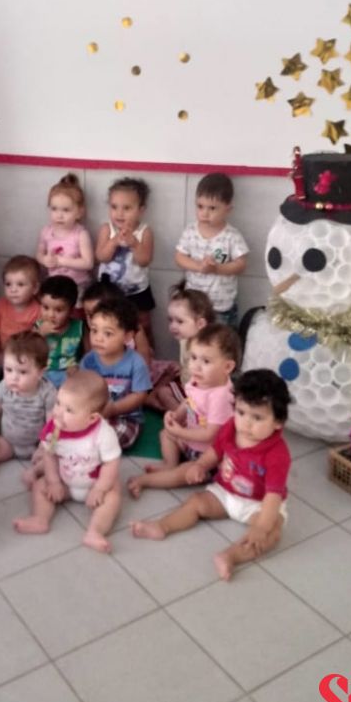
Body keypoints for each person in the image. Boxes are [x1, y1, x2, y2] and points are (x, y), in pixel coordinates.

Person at [131, 369, 291, 582]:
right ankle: (162, 526)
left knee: (272, 533)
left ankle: (231, 556)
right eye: (241, 412)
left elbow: (273, 496)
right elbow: (216, 451)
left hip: (258, 505)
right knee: (196, 502)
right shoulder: (231, 428)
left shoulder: (278, 454)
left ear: (278, 422)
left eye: (257, 417)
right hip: (225, 492)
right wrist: (200, 465)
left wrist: (261, 527)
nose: (246, 423)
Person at [14, 370, 122, 553]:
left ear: (92, 418)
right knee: (40, 486)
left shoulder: (103, 434)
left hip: (94, 484)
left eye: (69, 410)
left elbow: (111, 463)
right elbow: (49, 455)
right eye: (58, 403)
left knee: (113, 495)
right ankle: (40, 519)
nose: (58, 412)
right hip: (65, 482)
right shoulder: (54, 430)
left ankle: (95, 531)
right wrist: (54, 482)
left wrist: (100, 489)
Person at [128, 323, 237, 496]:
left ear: (227, 367)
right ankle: (170, 464)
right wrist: (177, 414)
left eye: (206, 361)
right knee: (166, 434)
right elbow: (190, 401)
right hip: (190, 441)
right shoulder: (199, 380)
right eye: (193, 357)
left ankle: (146, 481)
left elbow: (210, 434)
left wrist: (180, 432)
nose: (196, 366)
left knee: (185, 473)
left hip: (209, 455)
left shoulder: (221, 397)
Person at [0, 331, 57, 488]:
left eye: (23, 372)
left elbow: (53, 423)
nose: (14, 377)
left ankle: (34, 476)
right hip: (8, 443)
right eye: (8, 370)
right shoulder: (3, 387)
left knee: (54, 460)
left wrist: (45, 446)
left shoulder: (48, 392)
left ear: (40, 372)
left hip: (36, 444)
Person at [175, 172, 249, 329]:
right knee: (192, 340)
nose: (205, 213)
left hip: (221, 307)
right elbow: (180, 257)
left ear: (228, 209)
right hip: (193, 306)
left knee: (220, 341)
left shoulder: (232, 236)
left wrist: (216, 269)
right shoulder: (190, 231)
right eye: (200, 206)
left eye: (212, 208)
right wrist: (199, 266)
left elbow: (241, 264)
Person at [79, 297, 151, 449]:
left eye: (108, 333)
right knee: (70, 427)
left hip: (126, 418)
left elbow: (140, 395)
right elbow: (82, 390)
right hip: (94, 414)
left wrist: (114, 409)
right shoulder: (88, 360)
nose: (98, 338)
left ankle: (92, 446)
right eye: (94, 330)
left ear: (127, 336)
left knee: (115, 437)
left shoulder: (136, 362)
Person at [95, 177, 155, 344]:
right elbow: (101, 257)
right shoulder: (107, 229)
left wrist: (134, 243)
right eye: (114, 207)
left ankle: (149, 354)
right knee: (109, 325)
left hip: (137, 291)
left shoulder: (145, 232)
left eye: (127, 208)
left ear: (141, 210)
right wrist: (114, 242)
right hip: (109, 292)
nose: (119, 213)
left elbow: (144, 260)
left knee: (143, 326)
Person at [147, 283, 214, 414]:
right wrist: (181, 367)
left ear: (200, 324)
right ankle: (185, 414)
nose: (173, 326)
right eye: (170, 320)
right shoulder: (185, 340)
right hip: (186, 387)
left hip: (201, 393)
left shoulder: (207, 348)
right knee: (164, 389)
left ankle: (186, 417)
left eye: (179, 321)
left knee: (163, 393)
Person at [0, 256, 42, 385]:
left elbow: (37, 338)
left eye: (20, 284)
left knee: (26, 376)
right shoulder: (0, 305)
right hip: (1, 356)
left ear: (35, 288)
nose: (13, 289)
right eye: (8, 284)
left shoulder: (37, 310)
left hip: (24, 358)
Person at [36, 172, 94, 299]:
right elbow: (39, 254)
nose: (59, 215)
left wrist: (60, 261)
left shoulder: (80, 234)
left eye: (66, 210)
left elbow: (88, 263)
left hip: (77, 285)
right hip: (54, 284)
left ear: (79, 212)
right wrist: (44, 260)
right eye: (54, 209)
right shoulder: (46, 231)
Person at [81, 279, 152, 363]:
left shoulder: (135, 328)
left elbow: (145, 358)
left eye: (97, 313)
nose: (92, 319)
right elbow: (91, 360)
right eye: (89, 314)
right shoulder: (90, 333)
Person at [35, 275, 83, 387]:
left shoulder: (79, 327)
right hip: (43, 372)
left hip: (68, 373)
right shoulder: (38, 326)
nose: (51, 315)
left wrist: (78, 366)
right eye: (46, 308)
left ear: (71, 310)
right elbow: (26, 347)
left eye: (58, 310)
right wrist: (40, 334)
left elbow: (90, 354)